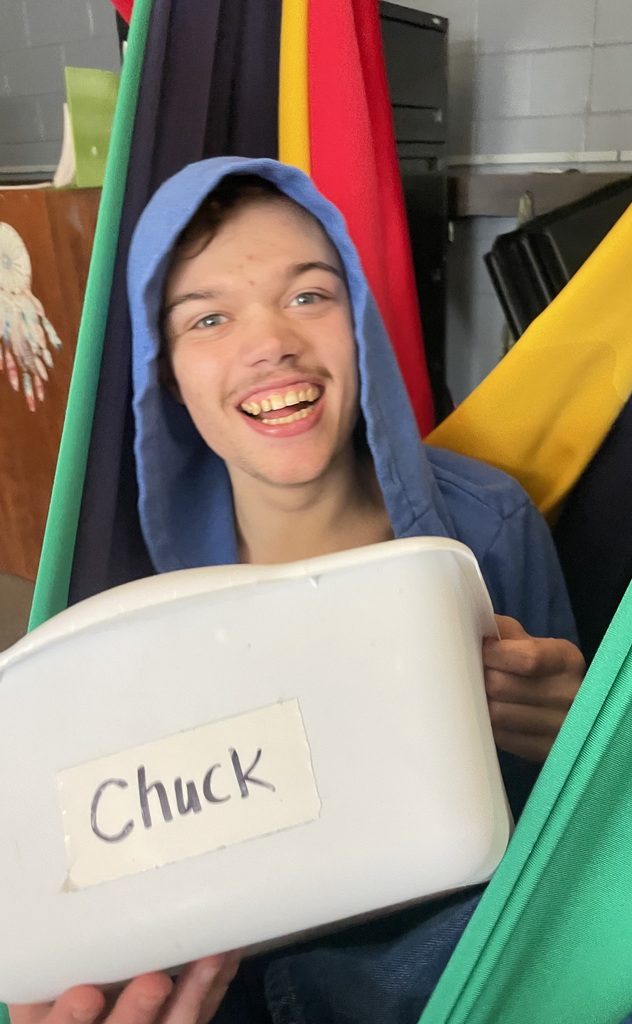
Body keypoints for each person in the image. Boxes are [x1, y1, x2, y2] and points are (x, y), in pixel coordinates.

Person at [9, 157, 585, 1024]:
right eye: (207, 317)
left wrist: (579, 734)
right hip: (221, 986)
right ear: (164, 372)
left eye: (309, 296)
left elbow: (571, 829)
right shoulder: (118, 605)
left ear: (359, 323)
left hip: (456, 973)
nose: (269, 342)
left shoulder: (489, 530)